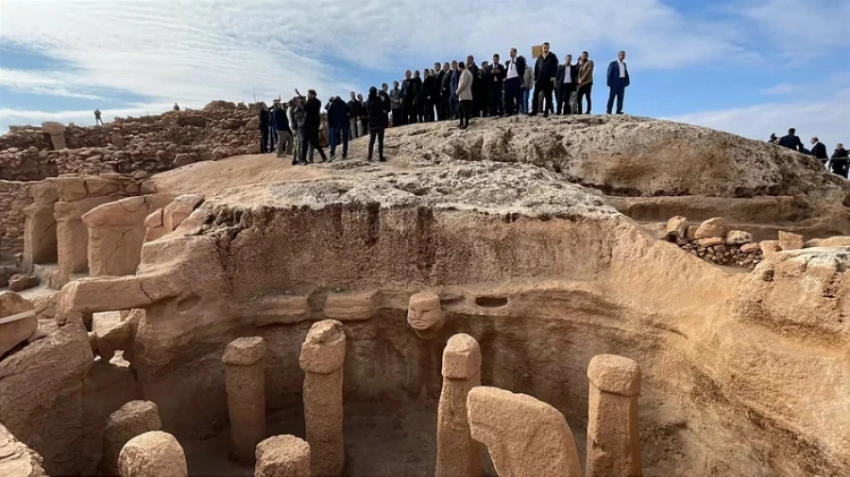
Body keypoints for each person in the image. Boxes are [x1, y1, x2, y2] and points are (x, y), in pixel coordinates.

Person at [530, 42, 558, 117]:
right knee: (535, 95)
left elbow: (555, 67)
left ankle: (546, 112)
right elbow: (536, 67)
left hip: (548, 79)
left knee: (548, 96)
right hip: (539, 79)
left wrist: (553, 76)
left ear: (549, 48)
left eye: (547, 48)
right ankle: (534, 111)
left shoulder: (552, 56)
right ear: (542, 48)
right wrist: (535, 78)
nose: (545, 49)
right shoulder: (539, 57)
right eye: (544, 48)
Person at [300, 90, 328, 164]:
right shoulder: (317, 102)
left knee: (305, 142)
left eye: (309, 94)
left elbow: (306, 109)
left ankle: (303, 159)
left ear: (313, 95)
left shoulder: (312, 102)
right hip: (314, 125)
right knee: (315, 142)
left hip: (308, 124)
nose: (307, 96)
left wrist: (302, 103)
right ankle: (324, 157)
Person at [365, 86, 390, 162]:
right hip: (380, 122)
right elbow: (384, 108)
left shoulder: (367, 101)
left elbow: (367, 111)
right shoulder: (379, 100)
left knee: (371, 141)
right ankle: (381, 157)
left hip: (372, 123)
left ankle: (369, 157)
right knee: (380, 141)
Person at [504, 48, 526, 116]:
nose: (511, 53)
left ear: (515, 53)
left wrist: (515, 61)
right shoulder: (508, 62)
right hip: (508, 80)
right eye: (510, 52)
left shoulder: (519, 60)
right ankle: (509, 111)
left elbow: (522, 68)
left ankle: (517, 110)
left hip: (516, 79)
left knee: (517, 96)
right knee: (508, 96)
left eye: (512, 52)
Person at [327, 96, 350, 161]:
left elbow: (329, 115)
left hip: (336, 123)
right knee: (345, 139)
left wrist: (331, 124)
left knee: (334, 139)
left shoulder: (332, 105)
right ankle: (344, 154)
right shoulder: (344, 104)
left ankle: (332, 154)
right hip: (344, 122)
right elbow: (349, 112)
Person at [456, 61, 473, 130]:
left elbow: (463, 84)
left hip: (465, 94)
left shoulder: (465, 73)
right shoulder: (466, 72)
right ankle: (461, 122)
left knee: (465, 110)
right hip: (464, 94)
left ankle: (466, 124)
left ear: (460, 67)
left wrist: (457, 91)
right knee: (460, 109)